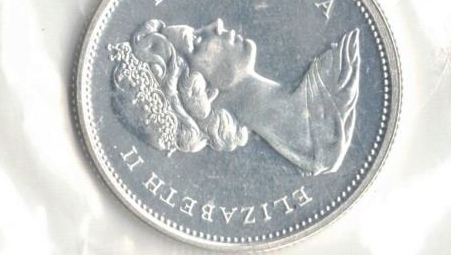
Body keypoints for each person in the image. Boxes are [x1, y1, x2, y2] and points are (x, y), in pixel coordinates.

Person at [109, 18, 360, 176]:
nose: (216, 24)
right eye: (196, 40)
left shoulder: (334, 74)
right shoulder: (338, 72)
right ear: (199, 90)